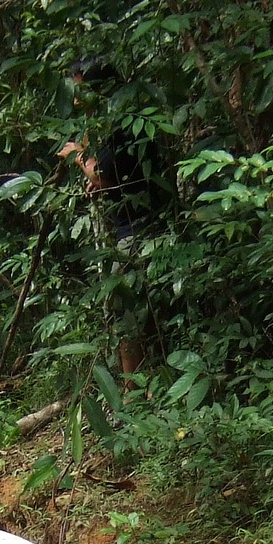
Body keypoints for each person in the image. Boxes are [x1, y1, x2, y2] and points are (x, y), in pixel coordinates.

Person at [59, 58, 169, 377]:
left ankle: (133, 393)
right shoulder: (117, 121)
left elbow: (104, 174)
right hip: (145, 224)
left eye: (82, 91)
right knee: (143, 315)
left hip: (137, 230)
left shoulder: (120, 124)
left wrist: (77, 155)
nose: (77, 100)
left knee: (127, 318)